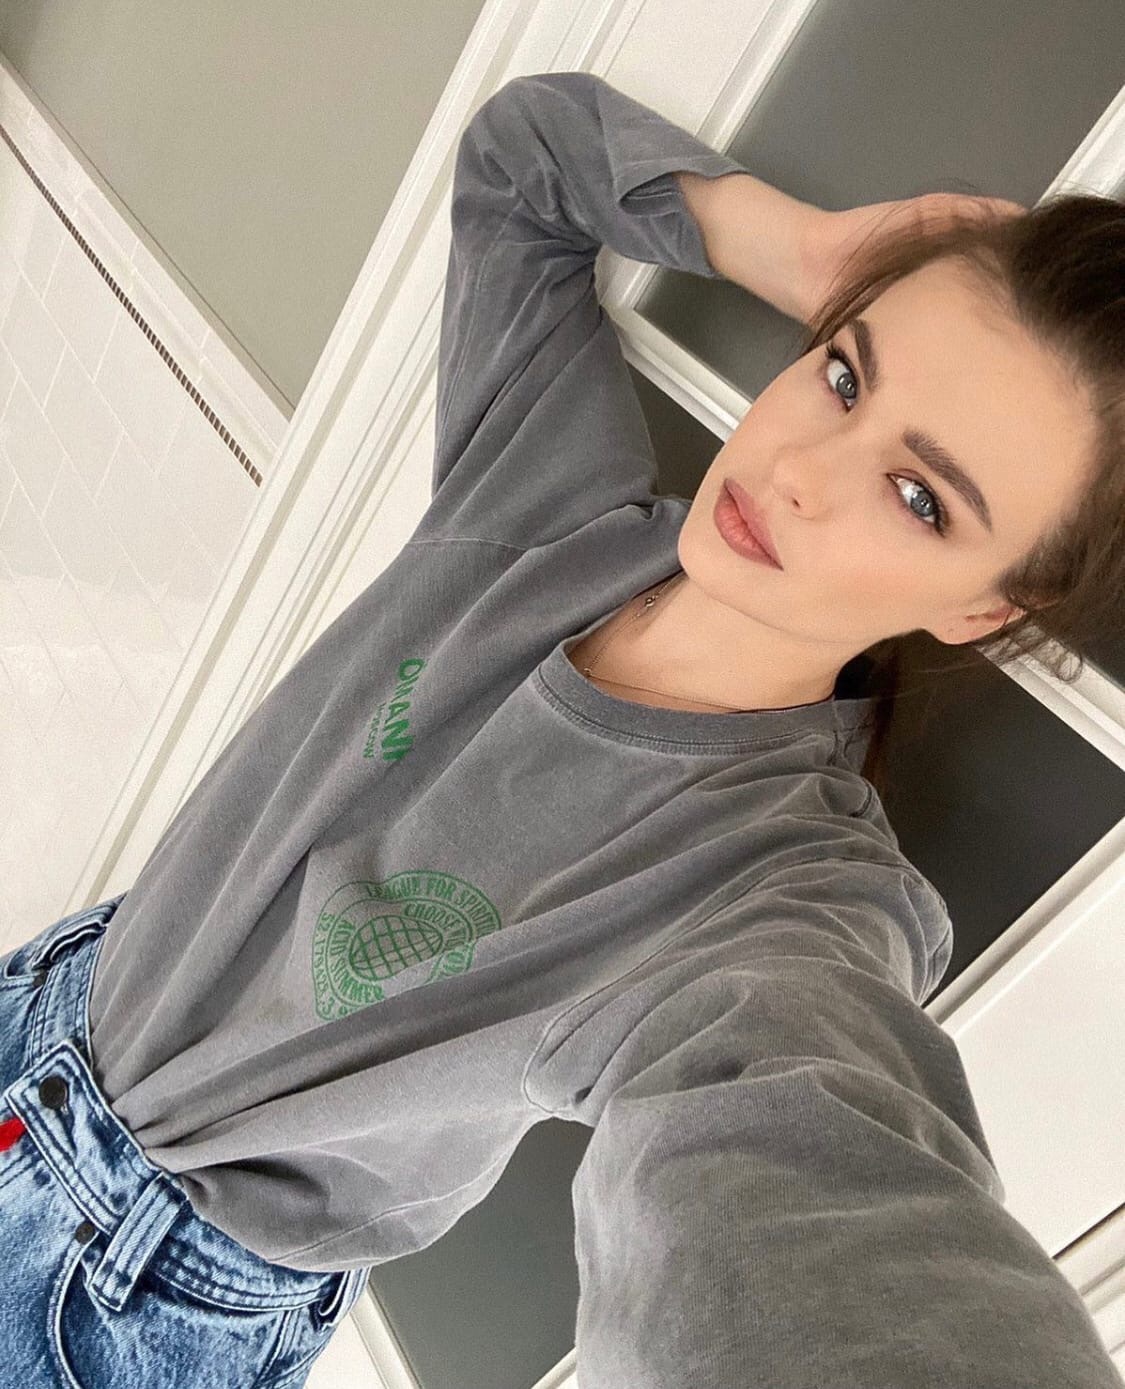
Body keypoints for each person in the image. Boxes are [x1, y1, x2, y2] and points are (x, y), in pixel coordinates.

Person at [1, 68, 1121, 1388]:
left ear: (986, 606)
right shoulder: (546, 500)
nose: (796, 471)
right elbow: (521, 159)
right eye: (840, 374)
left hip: (126, 1291)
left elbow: (815, 1208)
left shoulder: (784, 901)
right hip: (56, 997)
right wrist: (813, 252)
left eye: (919, 497)